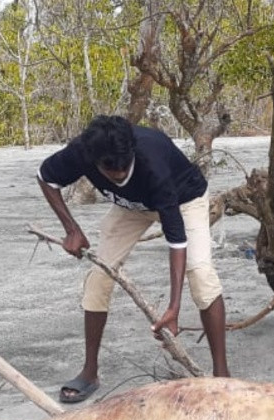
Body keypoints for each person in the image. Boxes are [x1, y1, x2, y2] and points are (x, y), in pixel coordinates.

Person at [37, 115, 230, 403]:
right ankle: (90, 372)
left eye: (124, 167)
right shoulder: (83, 151)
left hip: (183, 199)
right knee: (98, 279)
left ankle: (223, 376)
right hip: (130, 207)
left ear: (132, 154)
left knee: (200, 274)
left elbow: (177, 241)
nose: (118, 174)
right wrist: (72, 229)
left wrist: (174, 308)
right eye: (109, 170)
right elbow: (46, 178)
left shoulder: (153, 163)